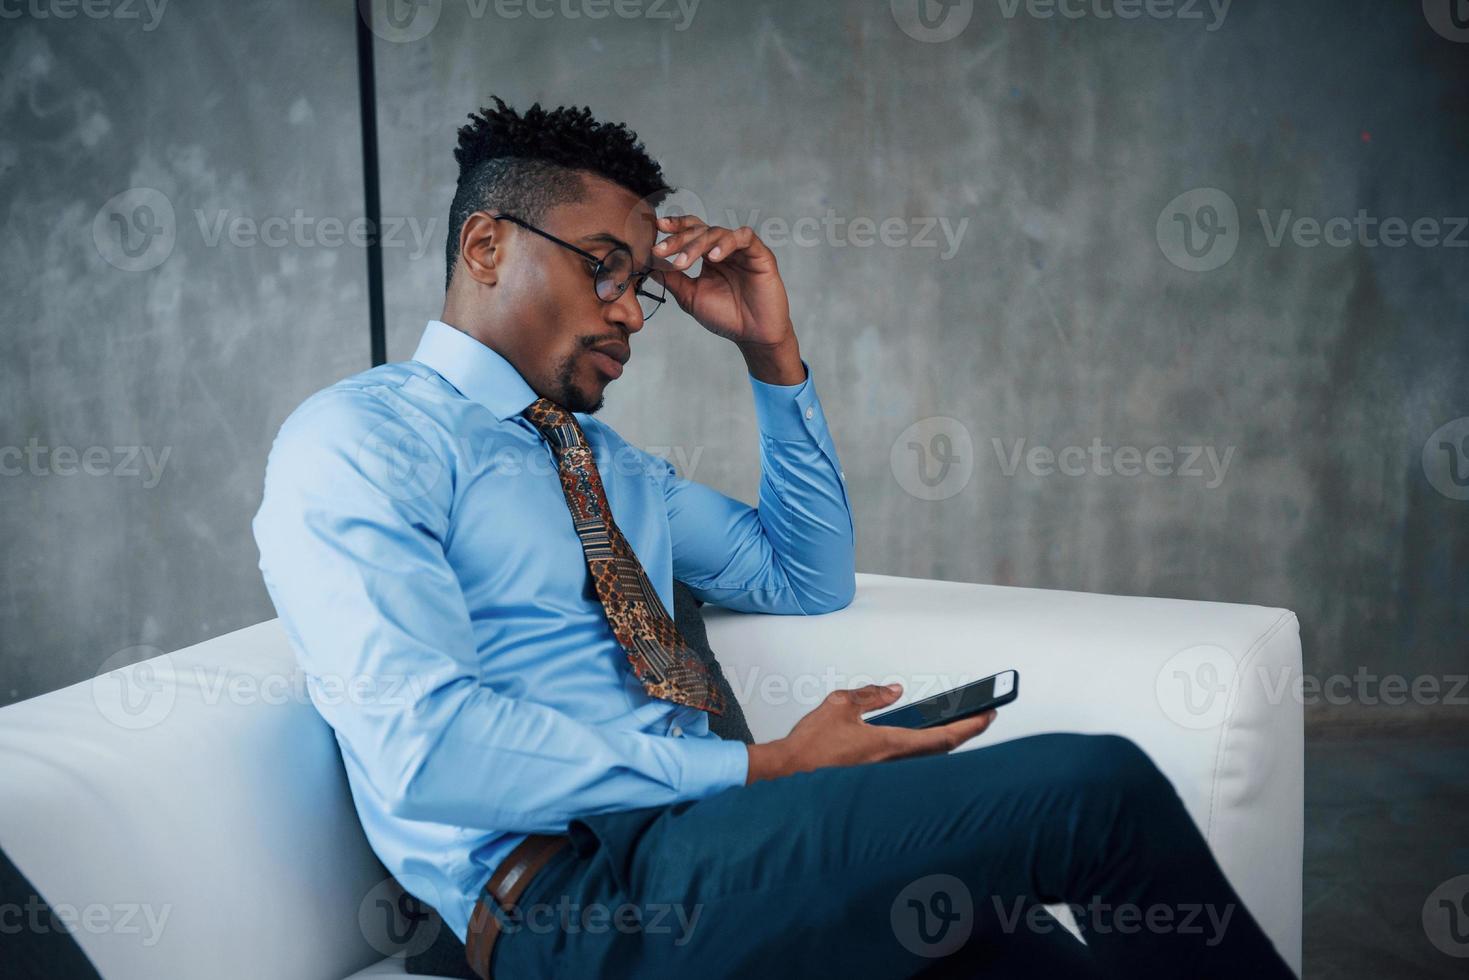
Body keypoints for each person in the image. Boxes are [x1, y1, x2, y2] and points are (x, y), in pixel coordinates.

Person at [251, 97, 1295, 978]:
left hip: (714, 856)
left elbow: (806, 573)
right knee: (1091, 792)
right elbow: (430, 749)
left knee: (996, 938)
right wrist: (765, 768)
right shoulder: (359, 442)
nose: (634, 315)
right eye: (603, 269)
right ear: (485, 245)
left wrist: (769, 350)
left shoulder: (611, 469)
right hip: (570, 903)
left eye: (642, 285)